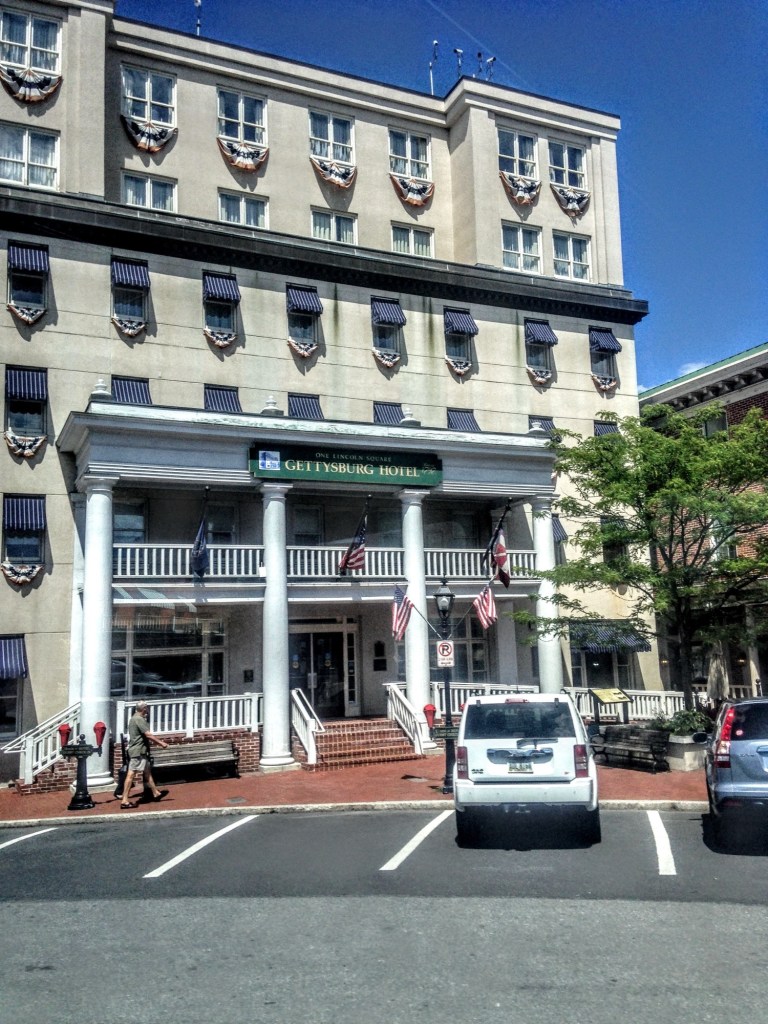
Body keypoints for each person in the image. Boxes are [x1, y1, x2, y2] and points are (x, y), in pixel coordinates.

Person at [120, 699, 170, 809]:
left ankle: (155, 792)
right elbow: (148, 735)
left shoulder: (134, 718)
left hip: (141, 750)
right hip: (138, 751)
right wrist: (162, 743)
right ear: (143, 709)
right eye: (146, 708)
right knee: (131, 774)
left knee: (147, 772)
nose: (147, 710)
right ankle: (124, 800)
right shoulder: (139, 719)